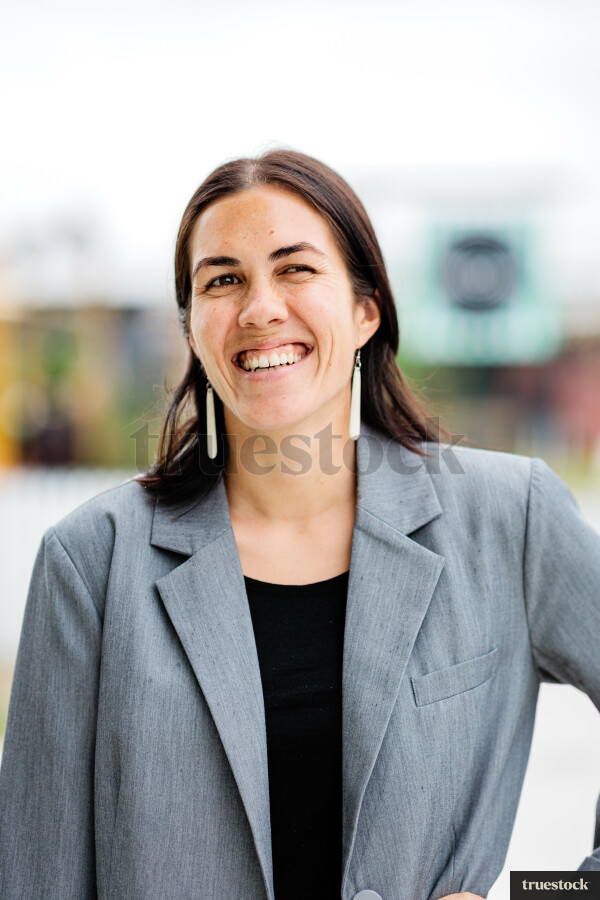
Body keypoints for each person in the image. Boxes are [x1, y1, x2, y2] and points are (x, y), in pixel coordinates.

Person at [0, 149, 599, 900]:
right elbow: (33, 877)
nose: (259, 308)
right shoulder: (91, 563)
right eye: (222, 279)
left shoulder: (510, 519)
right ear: (192, 328)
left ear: (365, 309)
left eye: (295, 269)